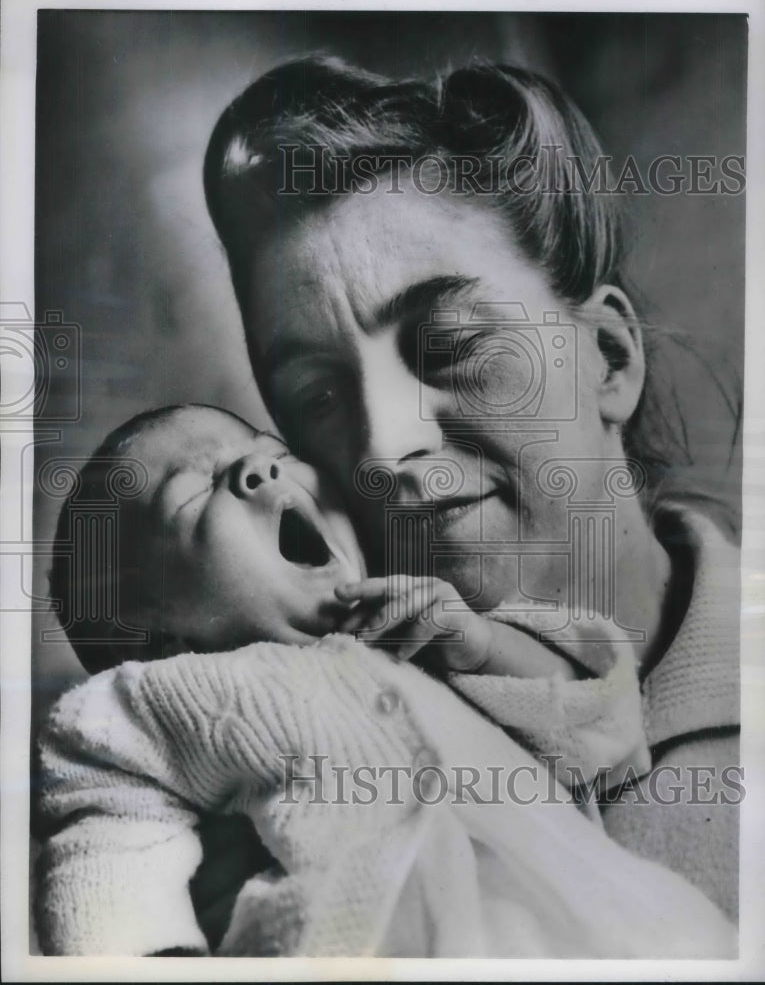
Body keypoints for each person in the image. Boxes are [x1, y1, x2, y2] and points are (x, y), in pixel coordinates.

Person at [202, 56, 741, 921]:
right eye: (321, 396)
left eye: (448, 345)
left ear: (608, 357)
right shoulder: (276, 771)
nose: (384, 443)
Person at [35, 403, 733, 958]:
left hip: (609, 927)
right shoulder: (159, 701)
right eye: (194, 494)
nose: (259, 470)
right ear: (158, 635)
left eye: (273, 453)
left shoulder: (422, 639)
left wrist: (483, 648)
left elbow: (601, 740)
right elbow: (108, 842)